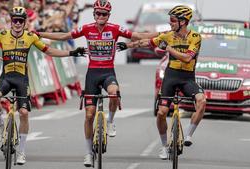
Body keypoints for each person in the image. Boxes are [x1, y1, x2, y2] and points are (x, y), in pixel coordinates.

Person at [35, 0, 159, 167]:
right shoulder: (87, 29)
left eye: (104, 14)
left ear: (109, 16)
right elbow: (64, 36)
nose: (101, 16)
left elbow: (139, 36)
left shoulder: (115, 29)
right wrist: (41, 34)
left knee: (114, 93)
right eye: (98, 13)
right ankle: (88, 153)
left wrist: (165, 33)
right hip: (92, 73)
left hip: (108, 72)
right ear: (94, 14)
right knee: (89, 115)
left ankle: (111, 122)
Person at [0, 6, 85, 165]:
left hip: (22, 80)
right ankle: (1, 126)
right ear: (11, 21)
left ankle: (21, 152)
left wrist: (71, 52)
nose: (18, 23)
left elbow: (49, 51)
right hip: (6, 78)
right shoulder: (2, 35)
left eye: (21, 21)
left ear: (25, 22)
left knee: (24, 113)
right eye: (15, 20)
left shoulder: (30, 37)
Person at [117, 5, 206, 160]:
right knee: (161, 113)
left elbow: (187, 58)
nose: (170, 23)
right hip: (171, 77)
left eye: (172, 20)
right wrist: (127, 45)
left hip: (187, 78)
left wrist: (169, 49)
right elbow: (147, 42)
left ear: (183, 22)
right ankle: (164, 146)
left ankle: (189, 135)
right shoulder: (167, 36)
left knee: (202, 101)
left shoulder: (195, 37)